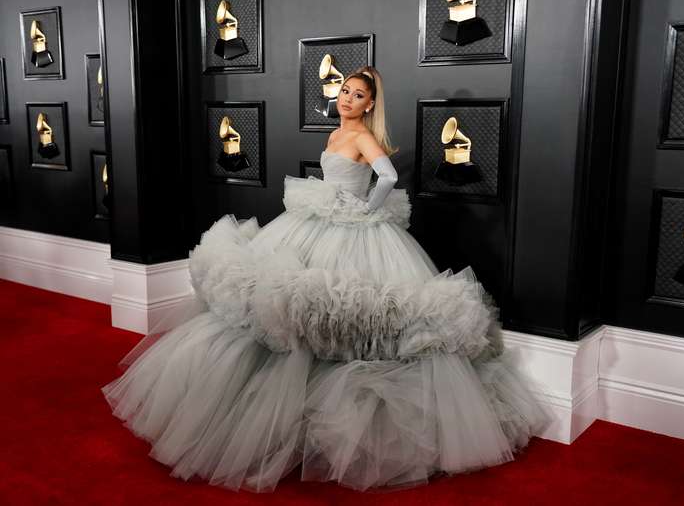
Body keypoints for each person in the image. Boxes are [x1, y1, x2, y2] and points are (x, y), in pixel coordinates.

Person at [102, 66, 547, 493]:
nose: (347, 99)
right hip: (316, 221)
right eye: (345, 91)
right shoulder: (336, 131)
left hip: (354, 231)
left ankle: (324, 429)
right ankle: (286, 418)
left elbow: (388, 175)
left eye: (358, 95)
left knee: (344, 315)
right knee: (288, 305)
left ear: (371, 104)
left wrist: (369, 208)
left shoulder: (360, 135)